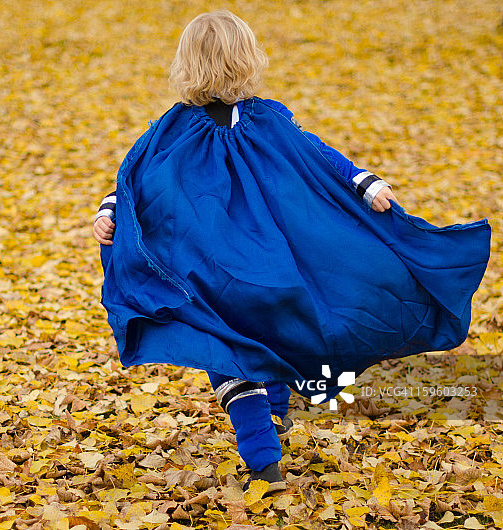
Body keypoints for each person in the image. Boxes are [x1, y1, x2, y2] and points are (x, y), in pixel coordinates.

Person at [93, 10, 490, 492]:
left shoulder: (245, 121)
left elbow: (311, 156)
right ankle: (269, 442)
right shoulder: (182, 129)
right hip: (250, 262)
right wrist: (111, 210)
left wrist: (361, 183)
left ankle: (265, 455)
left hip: (214, 267)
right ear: (248, 59)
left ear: (186, 65)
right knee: (261, 331)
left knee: (235, 345)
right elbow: (135, 176)